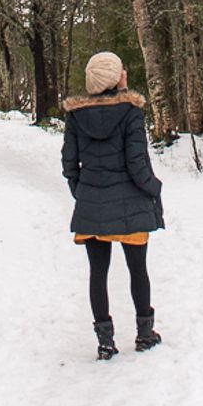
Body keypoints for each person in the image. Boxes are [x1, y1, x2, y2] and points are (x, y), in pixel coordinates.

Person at [61, 51, 164, 360]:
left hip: (92, 203)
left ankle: (105, 341)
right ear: (114, 78)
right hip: (131, 201)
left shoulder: (76, 115)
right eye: (121, 71)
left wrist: (82, 191)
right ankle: (145, 333)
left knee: (98, 273)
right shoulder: (132, 112)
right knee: (137, 269)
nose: (125, 75)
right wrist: (152, 188)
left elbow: (69, 163)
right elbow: (137, 162)